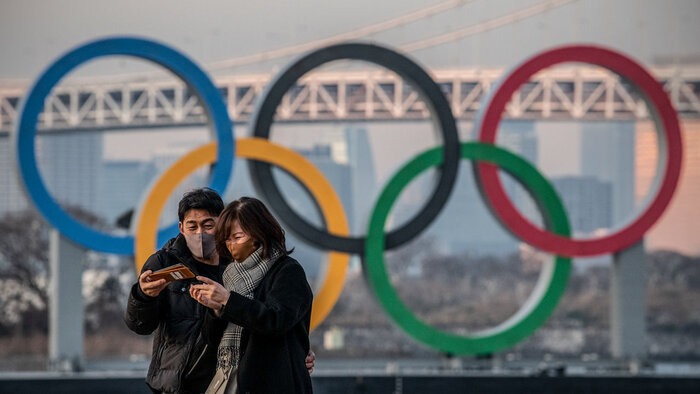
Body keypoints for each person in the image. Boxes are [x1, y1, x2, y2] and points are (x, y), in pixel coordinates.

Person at [124, 189, 314, 394]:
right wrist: (144, 296)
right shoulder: (164, 262)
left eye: (208, 225)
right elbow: (140, 325)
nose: (200, 233)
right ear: (181, 227)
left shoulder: (241, 265)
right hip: (180, 382)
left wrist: (296, 350)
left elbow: (274, 317)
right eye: (192, 226)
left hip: (228, 380)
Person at [190, 197, 314, 394]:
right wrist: (215, 310)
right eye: (227, 239)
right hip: (227, 379)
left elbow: (277, 320)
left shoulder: (287, 271)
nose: (231, 245)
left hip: (272, 384)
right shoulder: (229, 275)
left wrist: (228, 301)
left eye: (237, 237)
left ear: (259, 234)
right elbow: (211, 340)